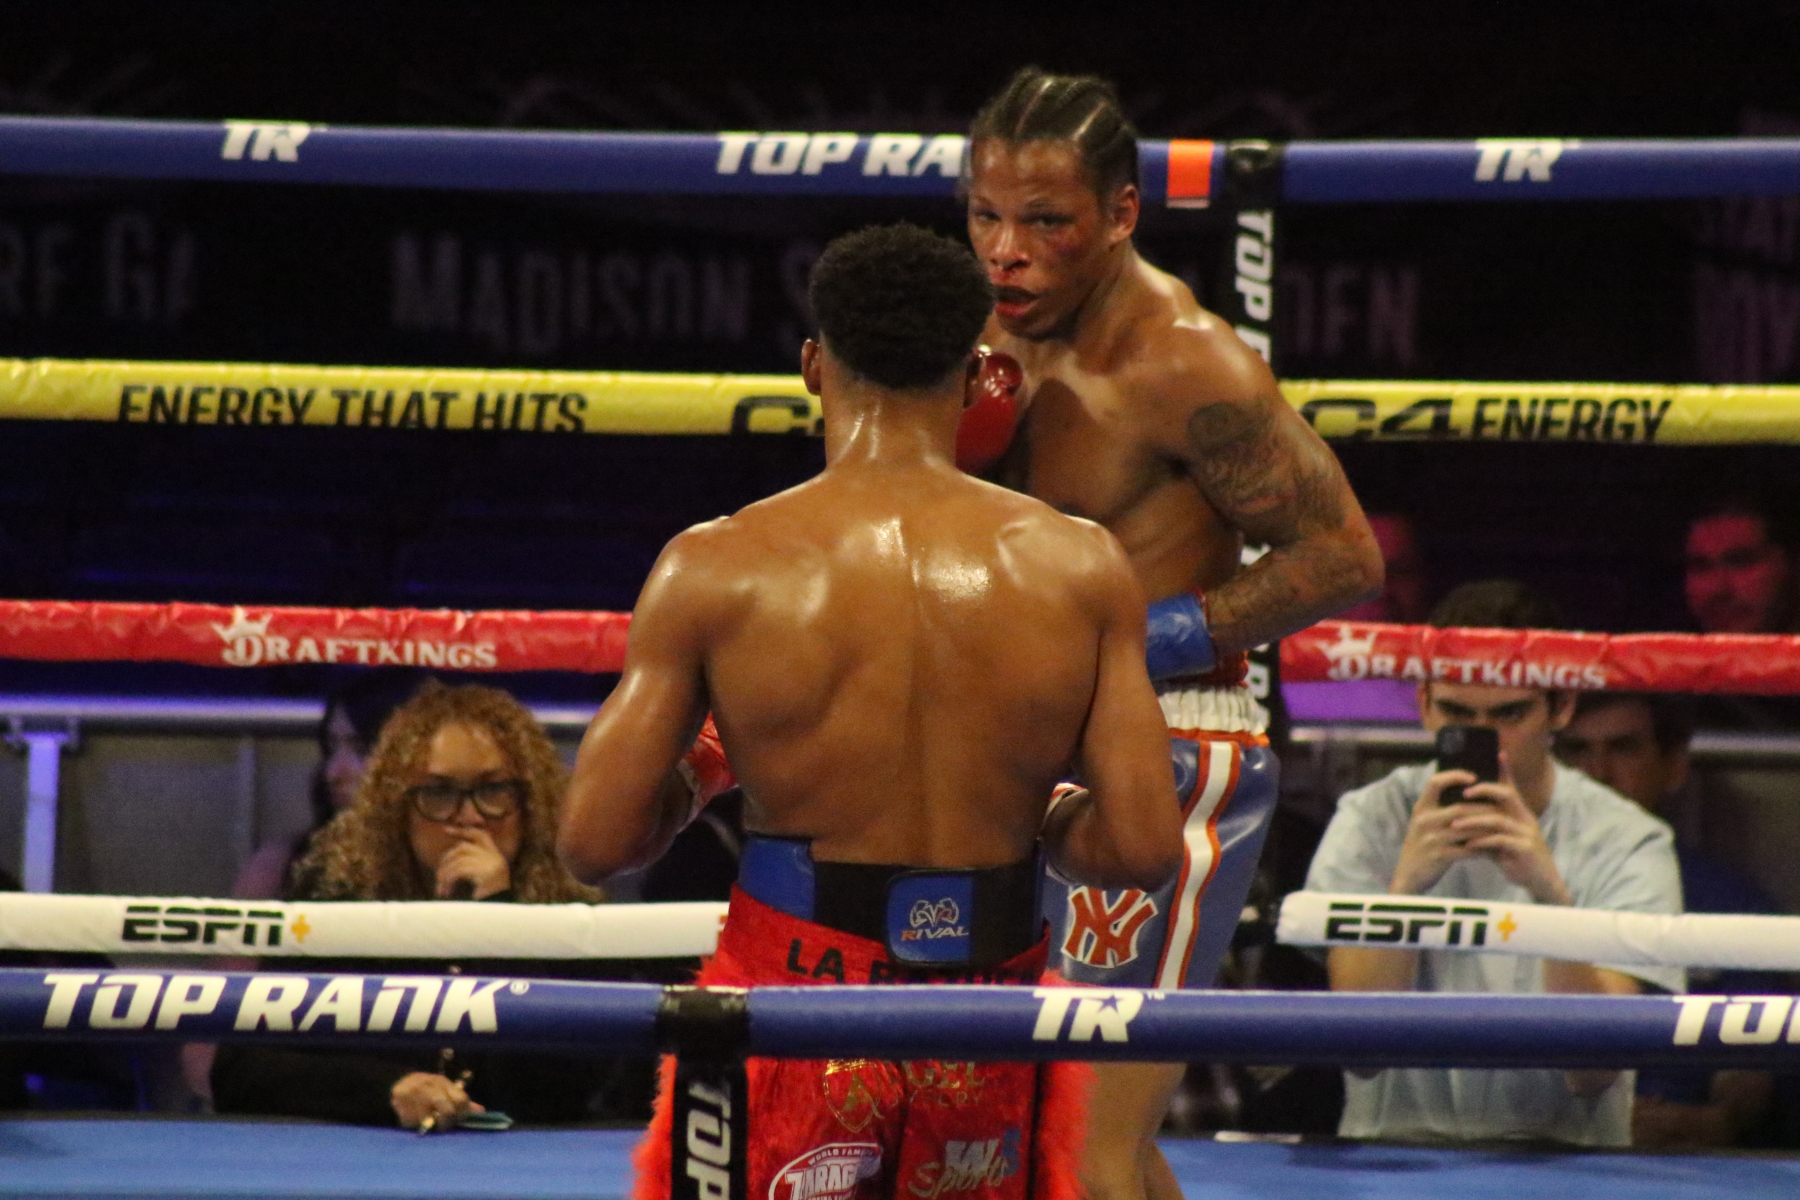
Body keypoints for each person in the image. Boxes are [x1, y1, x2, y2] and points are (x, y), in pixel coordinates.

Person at [559, 223, 1183, 1200]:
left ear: (814, 366)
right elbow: (1144, 847)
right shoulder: (1081, 566)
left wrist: (710, 768)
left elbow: (595, 842)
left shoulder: (715, 567)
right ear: (976, 379)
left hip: (788, 1001)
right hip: (986, 1013)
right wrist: (1040, 809)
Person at [962, 66, 1384, 1199]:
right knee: (1077, 1137)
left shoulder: (1184, 361)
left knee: (1084, 1146)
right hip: (1031, 741)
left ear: (1120, 214)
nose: (1007, 252)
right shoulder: (987, 339)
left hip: (1170, 745)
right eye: (986, 216)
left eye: (1044, 222)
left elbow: (1342, 556)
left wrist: (1128, 644)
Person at [1304, 580, 1685, 1146]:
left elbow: (1593, 1069)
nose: (1486, 738)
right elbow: (1360, 1051)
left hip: (1565, 1167)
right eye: (1457, 712)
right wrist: (1403, 893)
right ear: (1424, 704)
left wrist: (1551, 900)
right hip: (1396, 1160)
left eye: (1510, 713)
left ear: (1562, 705)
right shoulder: (1370, 820)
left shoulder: (1629, 840)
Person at [211, 680, 644, 1130]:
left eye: (493, 790)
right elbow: (239, 1071)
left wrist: (501, 921)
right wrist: (387, 1090)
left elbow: (574, 1092)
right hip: (369, 1158)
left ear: (529, 803)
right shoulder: (340, 901)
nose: (469, 816)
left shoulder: (572, 915)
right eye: (438, 793)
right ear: (398, 807)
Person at [1556, 691, 1778, 1148]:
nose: (1598, 772)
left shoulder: (1729, 902)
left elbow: (1757, 1055)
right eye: (1577, 750)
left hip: (1685, 1158)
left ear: (1673, 765)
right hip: (1534, 1143)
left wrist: (1715, 1122)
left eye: (1623, 748)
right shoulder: (1519, 886)